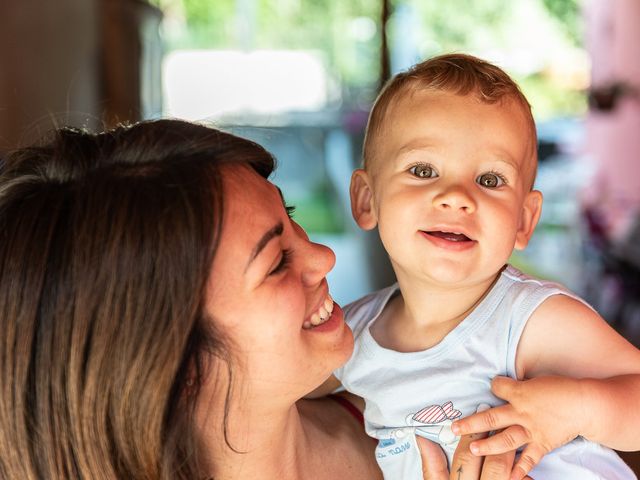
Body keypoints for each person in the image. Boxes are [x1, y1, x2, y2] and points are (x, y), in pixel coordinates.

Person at [0, 119, 519, 480]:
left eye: (291, 217)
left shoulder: (426, 388)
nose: (322, 257)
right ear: (172, 367)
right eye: (276, 263)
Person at [312, 54, 640, 480]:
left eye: (489, 180)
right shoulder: (352, 337)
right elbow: (269, 393)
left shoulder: (528, 320)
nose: (457, 196)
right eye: (423, 170)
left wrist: (577, 405)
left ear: (523, 220)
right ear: (366, 199)